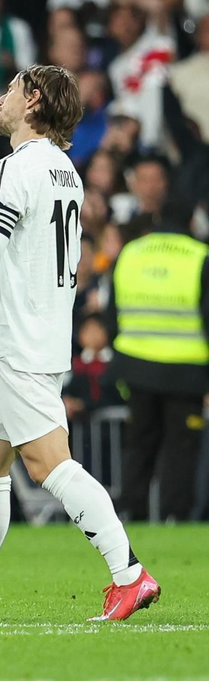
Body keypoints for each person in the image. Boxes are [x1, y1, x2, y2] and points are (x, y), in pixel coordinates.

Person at [0, 66, 158, 623]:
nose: (0, 100)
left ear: (33, 101)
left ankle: (129, 574)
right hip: (39, 336)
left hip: (18, 341)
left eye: (11, 91)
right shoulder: (66, 171)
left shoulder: (13, 168)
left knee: (49, 464)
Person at [107, 207, 209, 522]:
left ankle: (130, 511)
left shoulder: (131, 252)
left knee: (138, 443)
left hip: (135, 366)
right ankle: (174, 515)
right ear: (191, 222)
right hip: (186, 371)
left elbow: (112, 315)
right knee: (180, 447)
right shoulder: (200, 256)